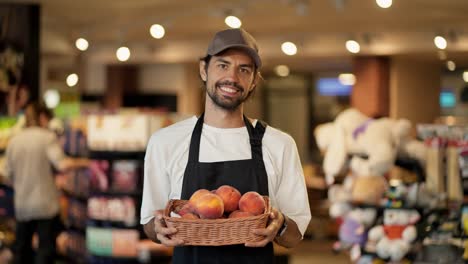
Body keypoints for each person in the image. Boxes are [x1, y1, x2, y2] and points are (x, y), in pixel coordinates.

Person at [140, 28, 311, 263]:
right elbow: (150, 225)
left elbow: (294, 237)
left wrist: (279, 224)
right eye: (222, 65)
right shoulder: (165, 142)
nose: (232, 77)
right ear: (203, 69)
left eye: (244, 69)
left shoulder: (279, 144)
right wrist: (158, 229)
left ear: (253, 81)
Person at [2, 102, 89, 264]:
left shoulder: (14, 141)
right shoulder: (47, 138)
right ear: (42, 117)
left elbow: (6, 174)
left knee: (22, 249)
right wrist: (86, 162)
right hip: (45, 205)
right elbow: (63, 164)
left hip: (22, 205)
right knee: (45, 249)